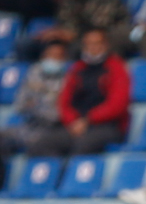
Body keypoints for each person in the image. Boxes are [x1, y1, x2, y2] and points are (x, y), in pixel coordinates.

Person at [49, 28, 132, 157]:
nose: (93, 47)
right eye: (89, 44)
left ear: (106, 45)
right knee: (43, 143)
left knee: (83, 144)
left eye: (97, 43)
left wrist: (88, 120)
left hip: (107, 126)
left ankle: (75, 170)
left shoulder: (116, 67)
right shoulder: (77, 68)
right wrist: (73, 121)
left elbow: (117, 105)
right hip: (76, 124)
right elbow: (64, 101)